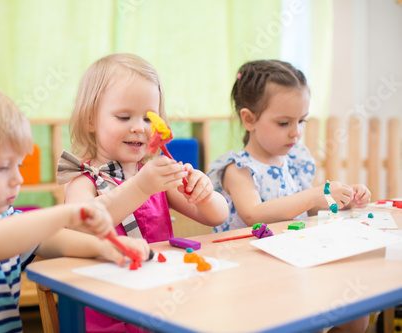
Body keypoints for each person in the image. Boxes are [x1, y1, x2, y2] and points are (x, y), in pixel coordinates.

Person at [0, 79, 149, 333]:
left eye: (18, 166)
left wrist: (108, 247)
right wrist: (66, 212)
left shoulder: (2, 217)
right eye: (2, 167)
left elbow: (53, 240)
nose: (18, 179)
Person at [58, 53, 229, 332]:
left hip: (160, 299)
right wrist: (141, 187)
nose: (139, 127)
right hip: (107, 308)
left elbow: (214, 217)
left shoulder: (153, 173)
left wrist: (205, 193)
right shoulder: (82, 179)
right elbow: (84, 226)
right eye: (124, 116)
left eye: (149, 118)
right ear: (91, 120)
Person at [208, 60, 370, 333]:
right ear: (249, 119)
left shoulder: (294, 160)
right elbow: (253, 214)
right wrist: (314, 196)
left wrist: (339, 200)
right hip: (251, 274)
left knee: (358, 313)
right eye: (284, 123)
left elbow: (309, 210)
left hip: (295, 261)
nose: (296, 132)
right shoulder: (238, 169)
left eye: (302, 120)